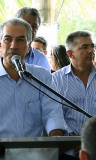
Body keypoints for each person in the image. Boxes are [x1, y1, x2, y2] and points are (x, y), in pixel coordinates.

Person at [0, 18, 66, 149]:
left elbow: (53, 114)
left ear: (28, 47)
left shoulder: (42, 77)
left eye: (20, 40)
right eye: (8, 39)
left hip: (36, 155)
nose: (13, 46)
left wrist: (54, 143)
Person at [53, 30, 96, 158]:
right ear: (70, 53)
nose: (91, 51)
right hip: (67, 151)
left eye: (92, 46)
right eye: (84, 47)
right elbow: (54, 112)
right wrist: (71, 138)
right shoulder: (55, 80)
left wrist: (89, 141)